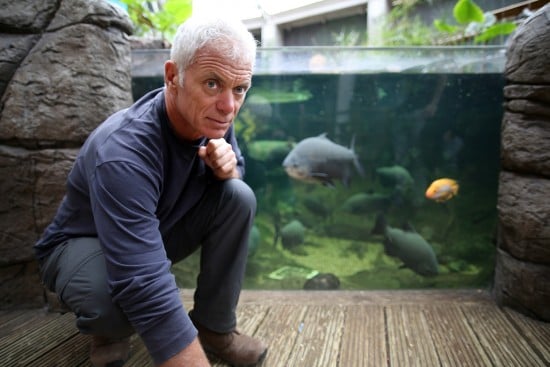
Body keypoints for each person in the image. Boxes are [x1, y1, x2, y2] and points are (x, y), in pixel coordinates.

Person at [34, 14, 268, 367]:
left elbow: (232, 181)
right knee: (118, 303)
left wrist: (228, 170)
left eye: (240, 89)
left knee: (238, 196)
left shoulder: (212, 116)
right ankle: (108, 329)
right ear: (173, 77)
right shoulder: (123, 152)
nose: (229, 107)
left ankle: (214, 328)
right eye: (212, 84)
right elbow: (142, 280)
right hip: (82, 242)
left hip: (151, 230)